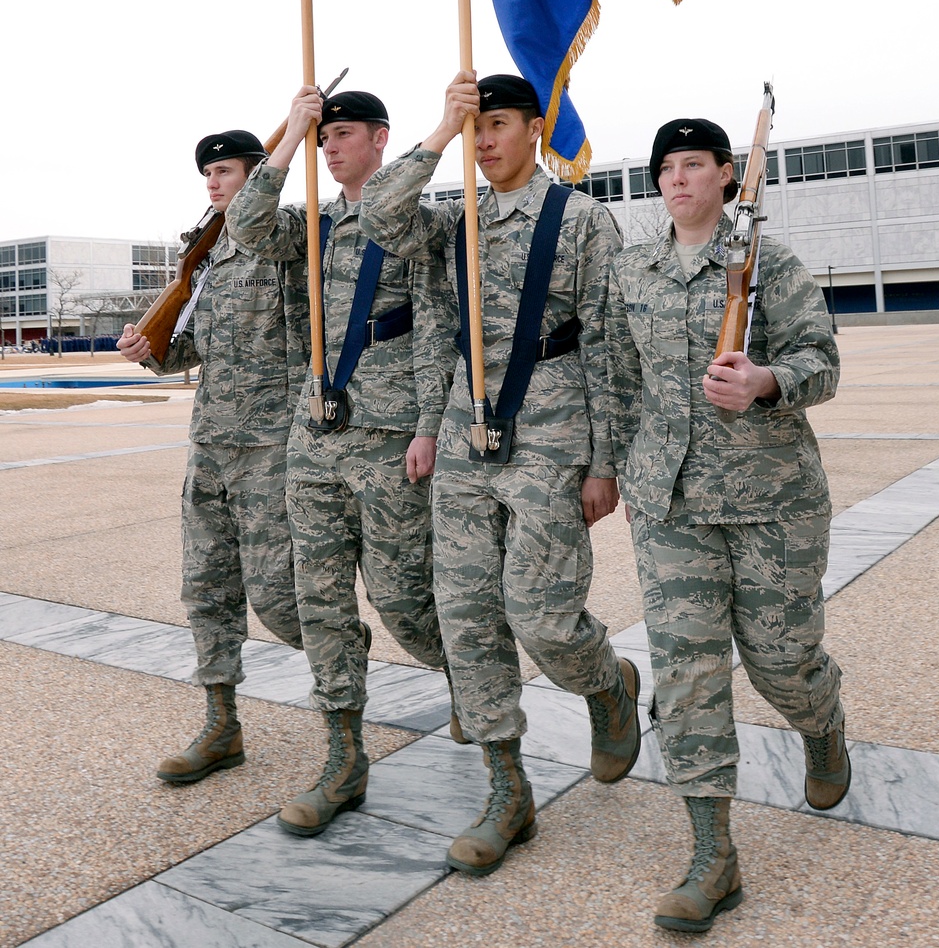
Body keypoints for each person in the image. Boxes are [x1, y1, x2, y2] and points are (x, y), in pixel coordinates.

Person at [358, 70, 641, 877]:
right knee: (469, 617)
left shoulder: (582, 219)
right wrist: (438, 133)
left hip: (553, 430)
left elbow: (611, 347)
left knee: (543, 616)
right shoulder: (455, 224)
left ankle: (607, 684)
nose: (485, 141)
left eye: (497, 125)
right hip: (462, 431)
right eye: (475, 128)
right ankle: (505, 789)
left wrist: (605, 460)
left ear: (535, 130)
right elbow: (381, 215)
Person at [605, 118, 846, 934]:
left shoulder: (766, 263)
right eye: (666, 168)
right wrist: (620, 468)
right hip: (671, 505)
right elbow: (619, 380)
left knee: (782, 660)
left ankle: (822, 723)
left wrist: (769, 379)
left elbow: (822, 360)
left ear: (727, 175)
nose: (678, 179)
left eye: (694, 165)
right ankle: (714, 854)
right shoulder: (631, 268)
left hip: (771, 498)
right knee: (686, 674)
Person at [225, 87, 456, 837]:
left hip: (388, 436)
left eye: (342, 135)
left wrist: (428, 425)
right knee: (321, 603)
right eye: (326, 138)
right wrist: (286, 140)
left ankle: (471, 681)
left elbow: (432, 329)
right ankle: (343, 759)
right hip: (315, 436)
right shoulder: (313, 225)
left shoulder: (417, 221)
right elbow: (245, 223)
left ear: (381, 139)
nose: (332, 148)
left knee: (404, 602)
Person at [118, 129, 307, 785]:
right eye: (208, 176)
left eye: (225, 172)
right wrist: (151, 350)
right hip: (212, 450)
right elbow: (186, 349)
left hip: (272, 449)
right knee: (207, 592)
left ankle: (347, 683)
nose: (213, 184)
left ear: (258, 174)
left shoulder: (285, 238)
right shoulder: (209, 256)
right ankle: (221, 727)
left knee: (283, 602)